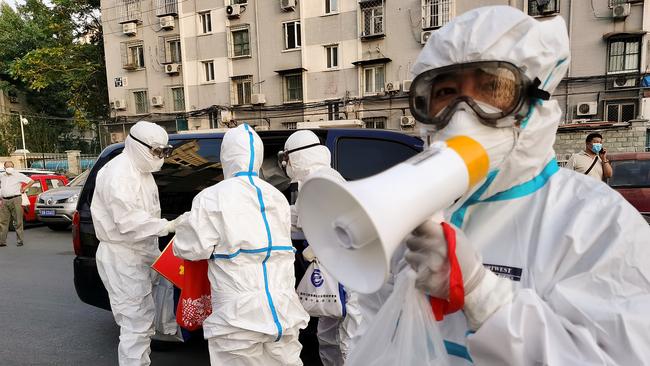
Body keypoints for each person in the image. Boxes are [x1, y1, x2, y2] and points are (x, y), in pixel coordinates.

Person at [359, 6, 650, 365]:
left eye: (492, 88)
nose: (463, 112)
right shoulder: (414, 212)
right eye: (446, 92)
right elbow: (375, 325)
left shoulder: (598, 224)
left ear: (535, 101)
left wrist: (482, 293)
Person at [173, 124, 309, 366]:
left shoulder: (211, 197)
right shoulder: (276, 196)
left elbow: (191, 249)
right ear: (257, 157)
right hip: (283, 310)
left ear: (226, 157)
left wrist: (184, 224)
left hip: (237, 316)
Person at [91, 121, 179, 366]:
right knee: (135, 323)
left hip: (143, 250)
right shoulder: (118, 173)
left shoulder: (142, 171)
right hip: (123, 256)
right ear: (136, 145)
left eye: (164, 152)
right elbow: (128, 222)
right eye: (156, 151)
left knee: (147, 316)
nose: (160, 157)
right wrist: (169, 225)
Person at [279, 130, 363, 366]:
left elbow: (343, 226)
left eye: (287, 158)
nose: (286, 164)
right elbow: (300, 219)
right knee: (327, 332)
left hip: (347, 273)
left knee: (349, 335)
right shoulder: (314, 180)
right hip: (332, 272)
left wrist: (319, 247)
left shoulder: (322, 181)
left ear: (298, 157)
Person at [0, 161, 34, 247]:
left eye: (11, 166)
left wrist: (24, 188)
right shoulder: (2, 176)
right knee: (3, 222)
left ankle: (20, 240)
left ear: (13, 167)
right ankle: (2, 241)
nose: (9, 168)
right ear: (4, 168)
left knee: (18, 221)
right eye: (8, 166)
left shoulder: (18, 175)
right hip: (4, 200)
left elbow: (31, 181)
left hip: (16, 199)